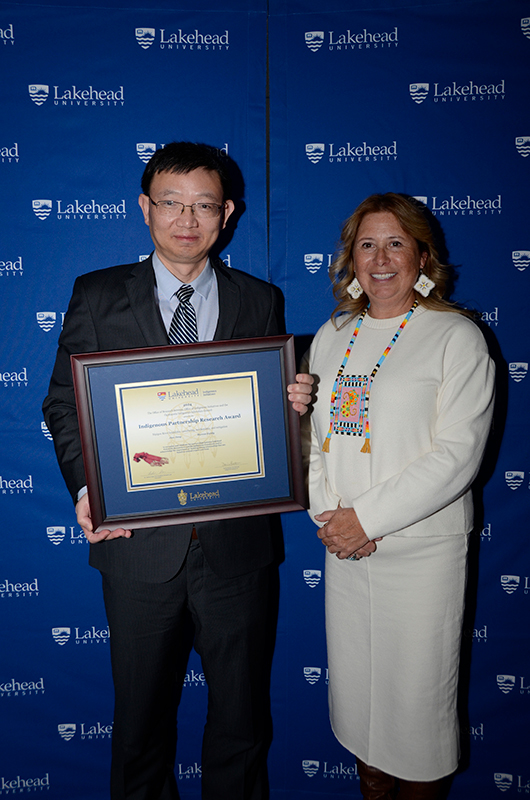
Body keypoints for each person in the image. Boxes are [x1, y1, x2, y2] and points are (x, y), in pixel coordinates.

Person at [43, 141, 312, 800]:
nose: (186, 220)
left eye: (203, 206)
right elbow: (62, 404)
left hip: (237, 552)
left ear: (227, 215)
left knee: (242, 725)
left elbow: (272, 424)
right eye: (171, 203)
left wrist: (297, 408)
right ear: (145, 208)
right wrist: (87, 488)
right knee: (139, 729)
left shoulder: (261, 300)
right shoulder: (98, 295)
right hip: (137, 550)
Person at [304, 193, 495, 800]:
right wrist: (330, 519)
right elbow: (314, 442)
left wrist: (368, 518)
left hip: (419, 558)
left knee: (416, 724)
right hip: (345, 553)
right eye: (366, 244)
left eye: (395, 243)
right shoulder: (332, 335)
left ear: (422, 255)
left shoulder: (456, 337)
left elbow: (456, 456)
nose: (380, 258)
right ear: (350, 258)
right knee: (361, 716)